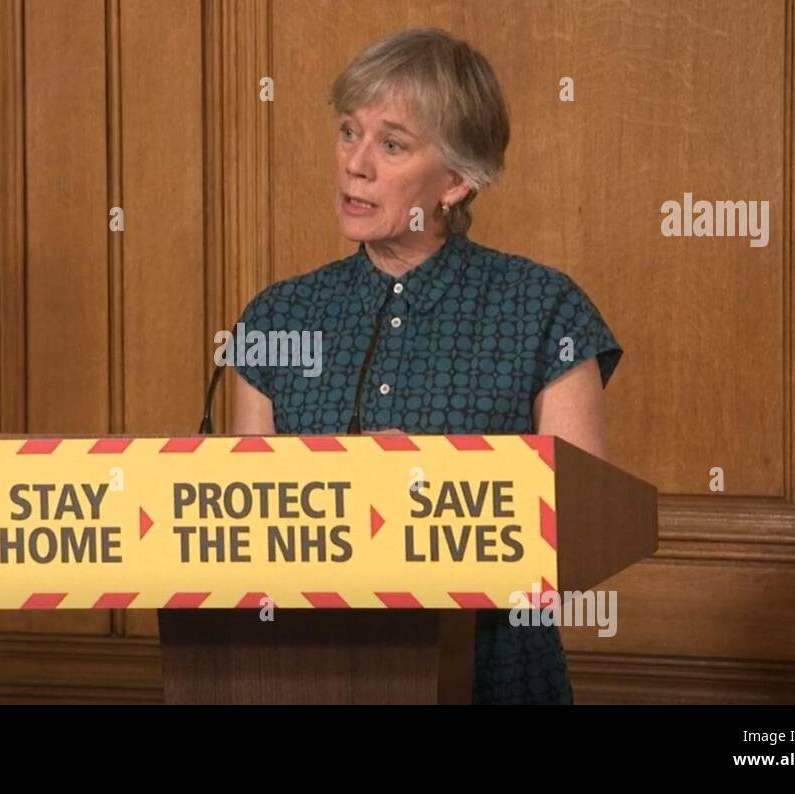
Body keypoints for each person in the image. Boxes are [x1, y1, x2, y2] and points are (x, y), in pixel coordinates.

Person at [229, 28, 623, 704]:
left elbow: (582, 528)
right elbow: (236, 534)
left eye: (391, 144)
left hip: (491, 675)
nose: (355, 164)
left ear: (458, 180)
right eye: (348, 132)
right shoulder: (275, 317)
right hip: (307, 675)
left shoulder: (542, 308)